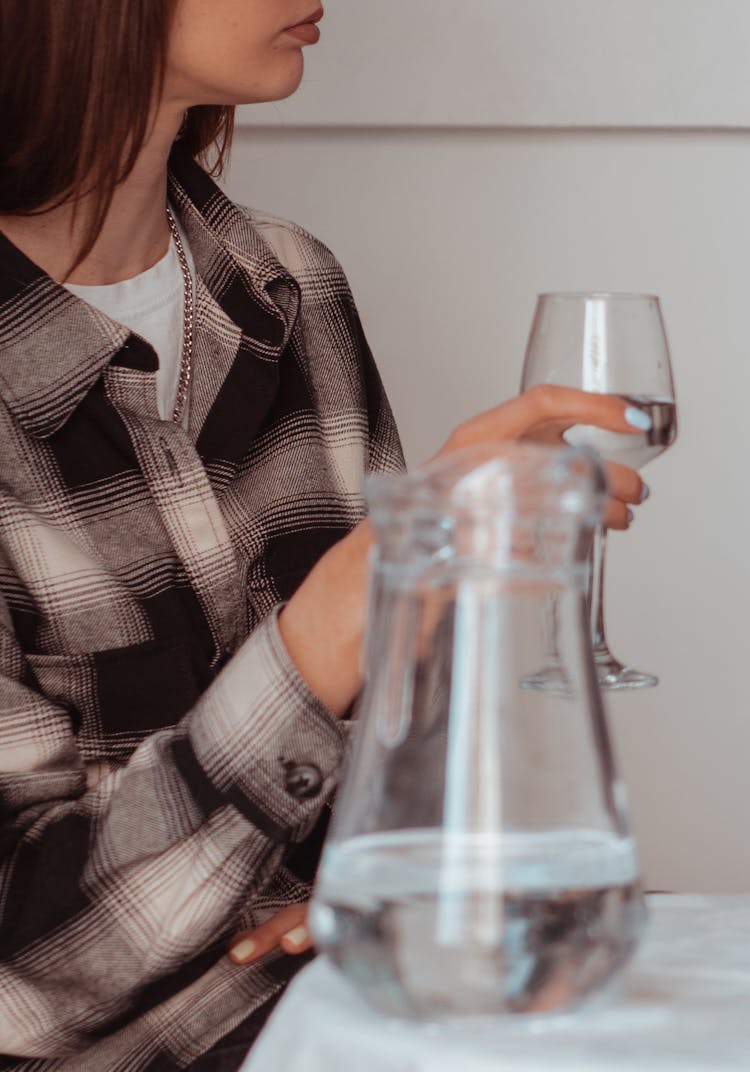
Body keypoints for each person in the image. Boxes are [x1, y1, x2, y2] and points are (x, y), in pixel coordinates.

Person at [0, 2, 649, 1068]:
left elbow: (406, 765)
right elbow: (19, 974)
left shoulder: (294, 286)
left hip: (355, 1013)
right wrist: (343, 611)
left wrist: (404, 872)